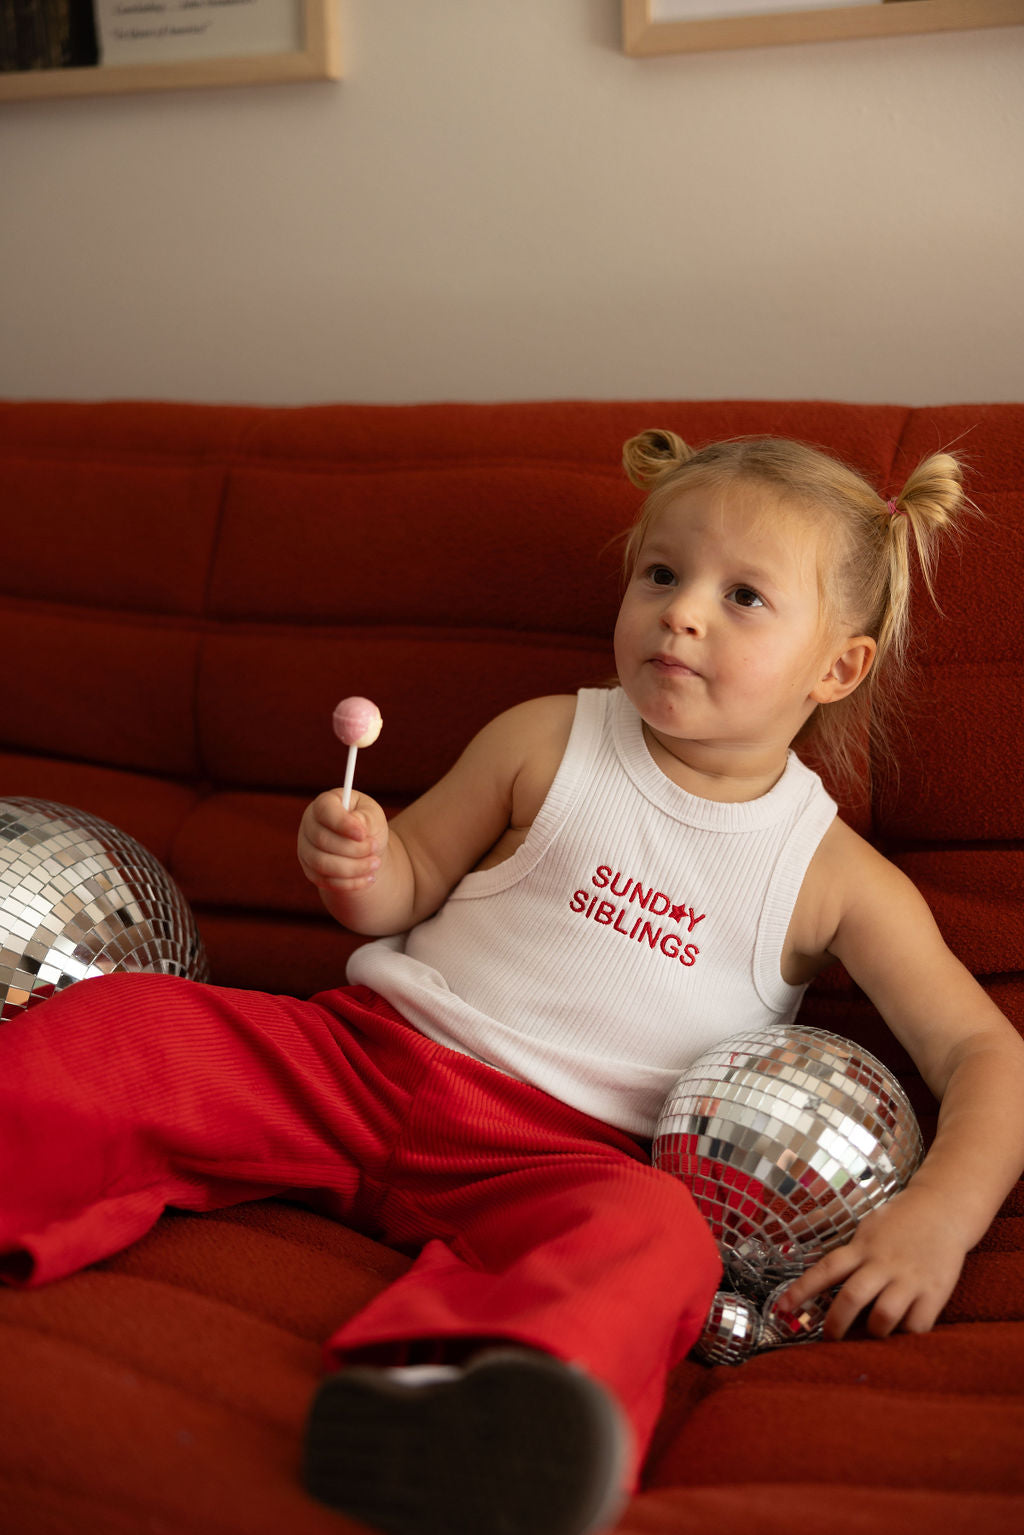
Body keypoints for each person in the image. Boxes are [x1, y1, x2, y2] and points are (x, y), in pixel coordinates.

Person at [3, 430, 1024, 1535]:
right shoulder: (549, 735)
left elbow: (984, 1051)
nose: (681, 612)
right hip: (355, 1058)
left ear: (837, 666)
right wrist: (358, 862)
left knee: (656, 1239)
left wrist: (940, 1217)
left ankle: (492, 1407)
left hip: (555, 1156)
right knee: (129, 1021)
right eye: (662, 574)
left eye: (742, 597)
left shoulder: (831, 874)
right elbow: (408, 882)